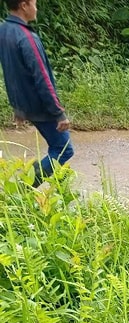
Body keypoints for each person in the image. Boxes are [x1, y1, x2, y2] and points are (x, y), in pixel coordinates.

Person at [0, 0, 73, 186]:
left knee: (57, 150)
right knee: (63, 149)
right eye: (34, 3)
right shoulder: (27, 38)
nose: (36, 7)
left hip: (26, 104)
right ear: (24, 5)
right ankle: (22, 191)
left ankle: (62, 193)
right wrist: (58, 113)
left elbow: (11, 73)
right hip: (40, 105)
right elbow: (42, 78)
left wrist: (18, 107)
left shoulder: (4, 30)